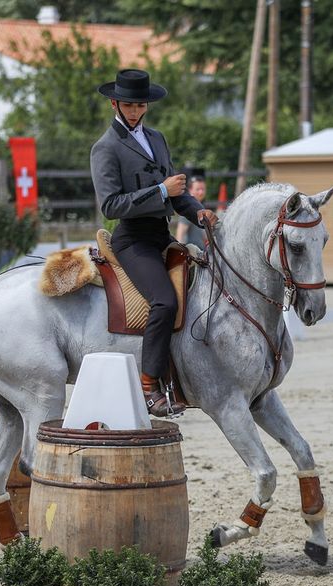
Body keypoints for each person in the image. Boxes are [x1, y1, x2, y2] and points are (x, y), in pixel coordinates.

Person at [90, 69, 219, 417]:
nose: (134, 111)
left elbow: (178, 195)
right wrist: (161, 190)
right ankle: (149, 385)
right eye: (129, 105)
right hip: (133, 241)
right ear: (115, 103)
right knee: (164, 302)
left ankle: (185, 376)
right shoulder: (105, 148)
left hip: (162, 236)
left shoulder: (157, 139)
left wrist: (199, 213)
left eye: (140, 105)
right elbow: (111, 205)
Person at [175, 175, 208, 249]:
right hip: (191, 255)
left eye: (203, 189)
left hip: (201, 254)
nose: (201, 192)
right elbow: (180, 234)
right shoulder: (189, 210)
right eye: (198, 189)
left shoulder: (201, 208)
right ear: (190, 190)